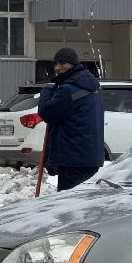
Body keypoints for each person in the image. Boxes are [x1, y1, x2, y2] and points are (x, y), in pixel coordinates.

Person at [37, 47, 105, 192]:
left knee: (69, 202)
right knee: (83, 200)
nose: (58, 68)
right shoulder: (90, 87)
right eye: (56, 64)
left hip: (73, 158)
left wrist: (46, 92)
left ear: (73, 64)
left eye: (63, 63)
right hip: (88, 157)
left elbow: (48, 112)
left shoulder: (68, 89)